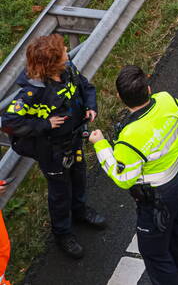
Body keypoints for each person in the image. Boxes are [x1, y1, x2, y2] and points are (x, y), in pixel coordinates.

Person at [0, 34, 104, 259]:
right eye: (63, 50)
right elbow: (9, 123)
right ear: (53, 63)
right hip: (52, 151)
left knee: (79, 176)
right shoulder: (33, 91)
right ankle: (63, 233)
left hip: (74, 140)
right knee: (60, 193)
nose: (67, 49)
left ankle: (80, 211)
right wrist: (44, 124)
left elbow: (86, 87)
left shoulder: (68, 69)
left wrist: (90, 106)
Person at [89, 66, 178, 285]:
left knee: (155, 252)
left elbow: (123, 177)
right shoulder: (167, 101)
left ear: (119, 97)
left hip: (156, 199)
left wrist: (100, 145)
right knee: (176, 226)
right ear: (148, 89)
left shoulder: (129, 137)